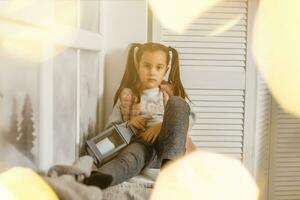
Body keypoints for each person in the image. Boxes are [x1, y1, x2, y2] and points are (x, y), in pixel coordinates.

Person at [84, 42, 196, 189]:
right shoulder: (127, 95)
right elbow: (110, 128)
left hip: (167, 145)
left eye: (158, 67)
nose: (152, 72)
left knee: (178, 103)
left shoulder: (171, 93)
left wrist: (162, 126)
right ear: (138, 67)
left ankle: (170, 170)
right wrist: (128, 124)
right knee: (128, 158)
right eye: (147, 66)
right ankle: (100, 178)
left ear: (166, 70)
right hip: (141, 144)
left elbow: (189, 118)